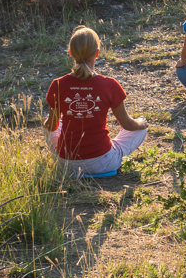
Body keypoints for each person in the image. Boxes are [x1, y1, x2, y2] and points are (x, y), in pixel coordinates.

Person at [44, 25, 149, 178]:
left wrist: (47, 122)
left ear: (71, 53)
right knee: (140, 127)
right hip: (103, 162)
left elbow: (52, 126)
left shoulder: (58, 84)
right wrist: (141, 123)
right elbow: (127, 124)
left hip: (67, 165)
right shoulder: (110, 84)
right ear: (97, 54)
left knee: (49, 121)